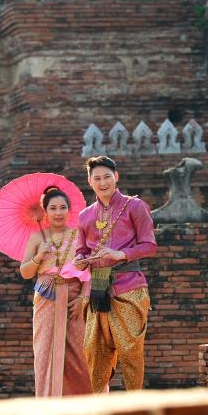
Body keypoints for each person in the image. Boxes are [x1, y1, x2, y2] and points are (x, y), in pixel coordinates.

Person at [73, 155, 157, 392]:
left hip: (129, 286)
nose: (103, 183)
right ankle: (99, 408)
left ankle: (134, 404)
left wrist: (122, 254)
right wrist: (80, 260)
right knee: (94, 351)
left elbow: (149, 246)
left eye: (107, 177)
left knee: (130, 350)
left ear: (116, 177)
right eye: (97, 178)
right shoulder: (85, 216)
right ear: (90, 181)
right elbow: (80, 250)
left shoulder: (134, 206)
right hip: (97, 287)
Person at [19, 186, 93, 396]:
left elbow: (90, 269)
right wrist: (38, 256)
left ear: (69, 210)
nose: (58, 212)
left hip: (75, 298)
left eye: (62, 207)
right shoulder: (36, 238)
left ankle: (83, 405)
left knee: (81, 354)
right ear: (45, 211)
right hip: (47, 296)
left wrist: (83, 298)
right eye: (53, 208)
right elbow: (25, 272)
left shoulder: (79, 235)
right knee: (45, 352)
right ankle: (49, 402)